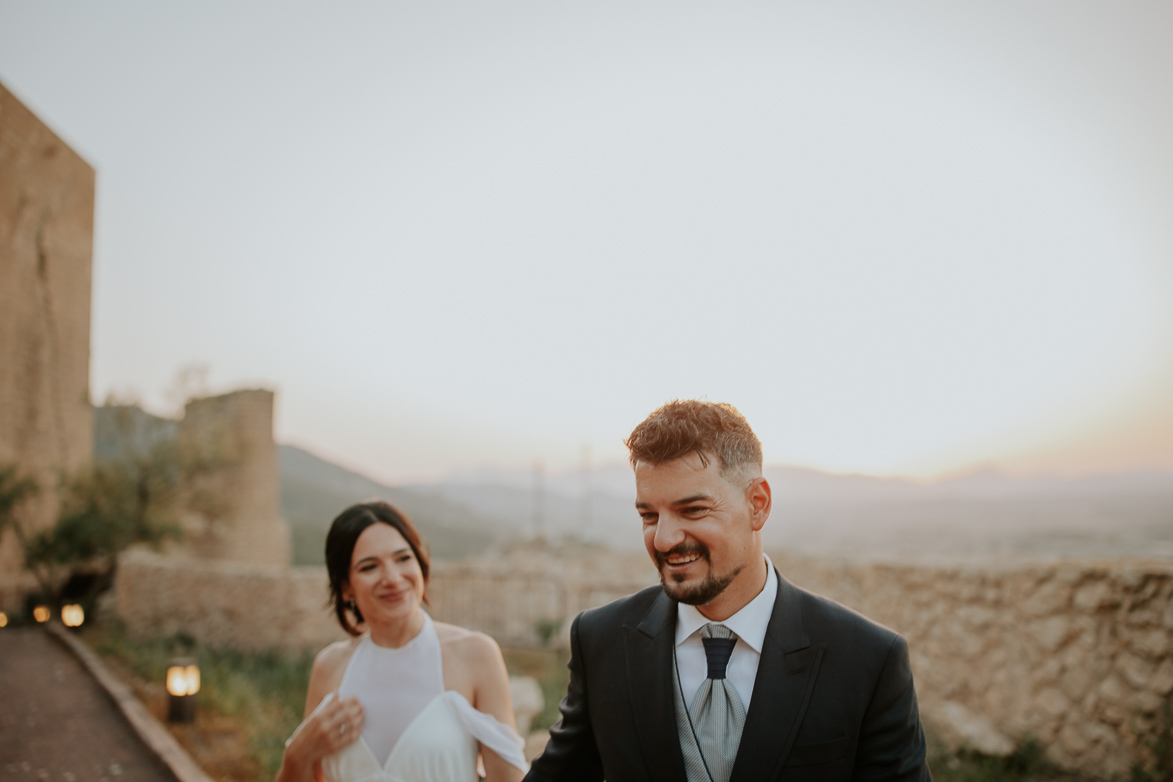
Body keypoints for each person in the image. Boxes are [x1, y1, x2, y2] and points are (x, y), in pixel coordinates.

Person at [525, 400, 932, 782]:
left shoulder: (868, 660)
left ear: (757, 504)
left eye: (693, 510)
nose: (664, 539)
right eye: (649, 515)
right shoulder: (602, 641)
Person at [277, 500, 528, 782]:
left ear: (420, 563)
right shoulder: (329, 666)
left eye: (403, 558)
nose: (393, 578)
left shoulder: (475, 655)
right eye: (370, 567)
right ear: (346, 585)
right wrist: (297, 753)